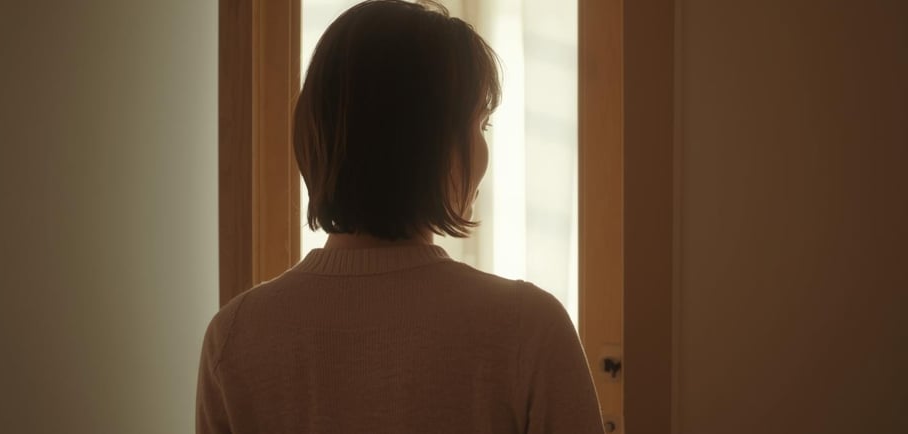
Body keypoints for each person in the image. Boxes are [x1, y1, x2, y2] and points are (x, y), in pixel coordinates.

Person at [196, 1, 604, 433]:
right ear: (429, 140)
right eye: (480, 125)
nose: (484, 152)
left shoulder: (236, 336)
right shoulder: (528, 329)